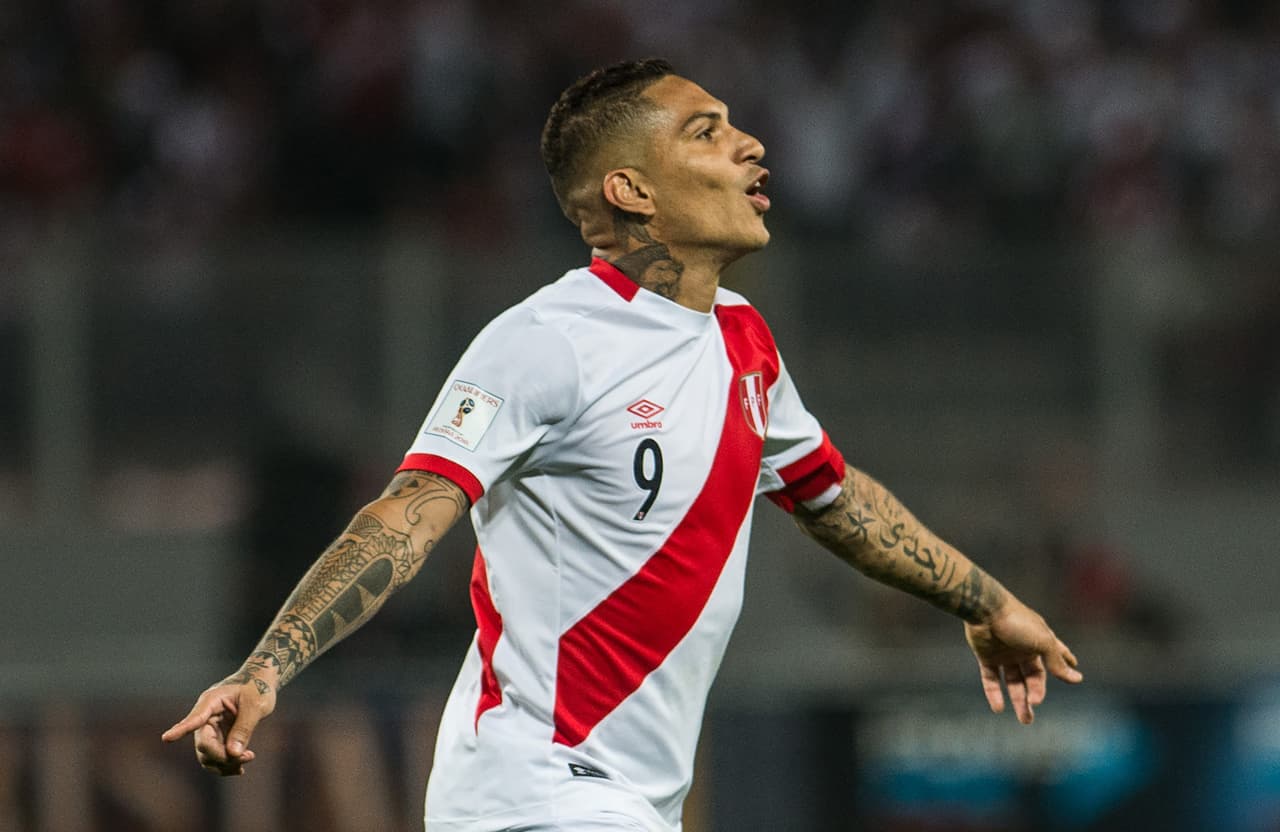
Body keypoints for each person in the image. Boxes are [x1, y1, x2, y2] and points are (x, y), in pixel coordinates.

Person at [163, 58, 1083, 831]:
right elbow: (405, 515)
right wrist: (266, 667)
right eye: (706, 131)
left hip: (625, 804)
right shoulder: (546, 341)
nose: (749, 145)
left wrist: (985, 600)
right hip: (534, 792)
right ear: (630, 189)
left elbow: (834, 498)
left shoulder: (743, 339)